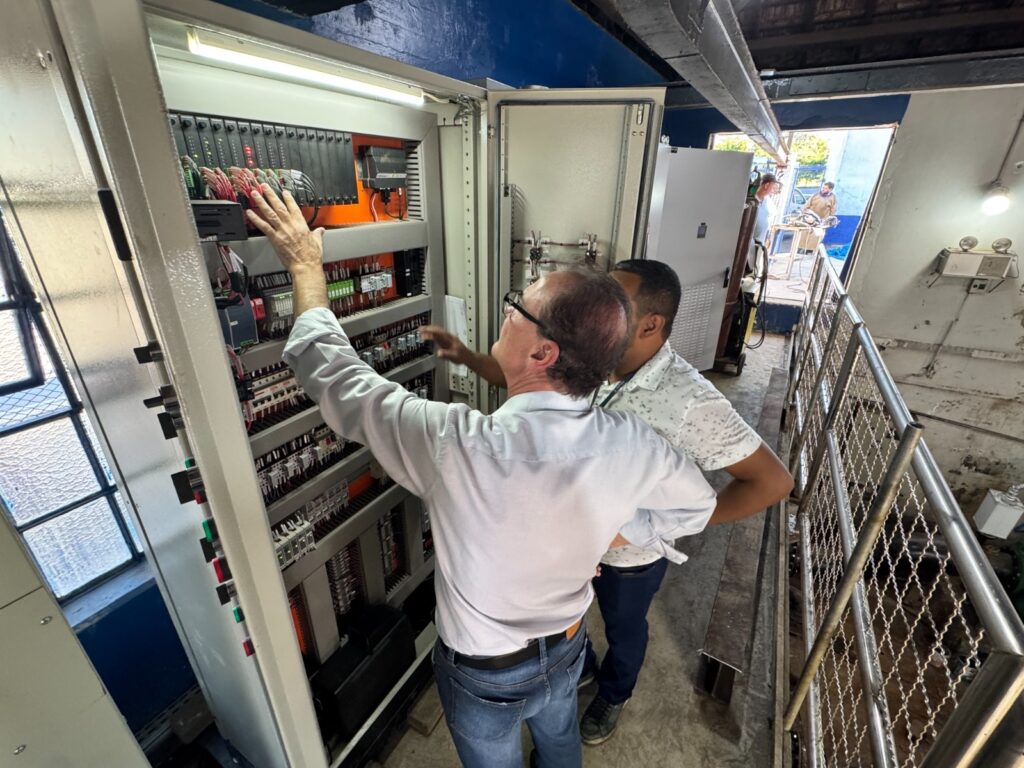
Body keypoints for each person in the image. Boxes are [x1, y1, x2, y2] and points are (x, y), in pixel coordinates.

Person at [246, 186, 732, 768]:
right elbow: (696, 507)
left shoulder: (457, 444)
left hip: (485, 674)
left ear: (543, 354)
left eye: (517, 310)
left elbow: (334, 375)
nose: (507, 313)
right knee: (558, 742)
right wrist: (608, 529)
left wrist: (304, 269)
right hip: (569, 645)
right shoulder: (632, 444)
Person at [422, 259, 793, 746]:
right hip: (570, 548)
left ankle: (613, 694)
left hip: (627, 556)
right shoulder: (593, 355)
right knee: (569, 627)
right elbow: (527, 379)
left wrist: (652, 529)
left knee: (624, 627)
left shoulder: (689, 401)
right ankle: (577, 667)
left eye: (615, 302)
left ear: (651, 323)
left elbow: (771, 482)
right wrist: (468, 356)